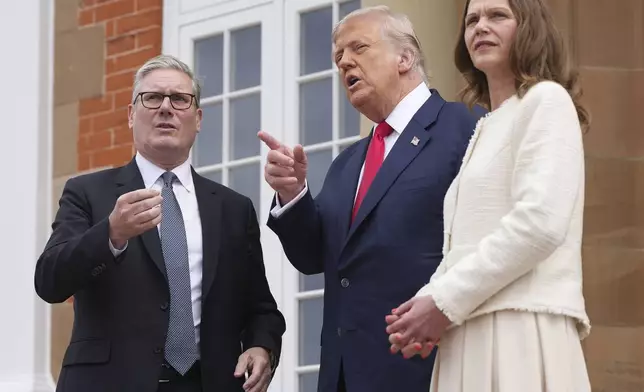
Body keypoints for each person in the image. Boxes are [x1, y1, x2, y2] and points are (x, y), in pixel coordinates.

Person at [258, 6, 484, 392]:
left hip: (427, 367)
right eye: (338, 57)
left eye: (358, 47)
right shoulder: (347, 164)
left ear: (405, 57)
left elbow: (485, 245)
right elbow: (316, 257)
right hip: (343, 374)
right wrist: (294, 195)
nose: (344, 61)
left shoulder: (466, 129)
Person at [35, 54, 285, 392]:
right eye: (152, 98)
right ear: (130, 115)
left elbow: (261, 308)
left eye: (180, 99)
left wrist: (261, 345)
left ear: (197, 119)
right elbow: (50, 280)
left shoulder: (233, 209)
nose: (166, 108)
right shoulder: (88, 193)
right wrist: (111, 234)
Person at [385, 0, 592, 390]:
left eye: (497, 15)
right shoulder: (486, 126)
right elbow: (466, 245)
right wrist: (424, 309)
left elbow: (540, 224)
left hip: (520, 330)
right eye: (472, 20)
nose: (481, 26)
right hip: (470, 328)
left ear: (530, 28)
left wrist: (442, 302)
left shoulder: (546, 100)